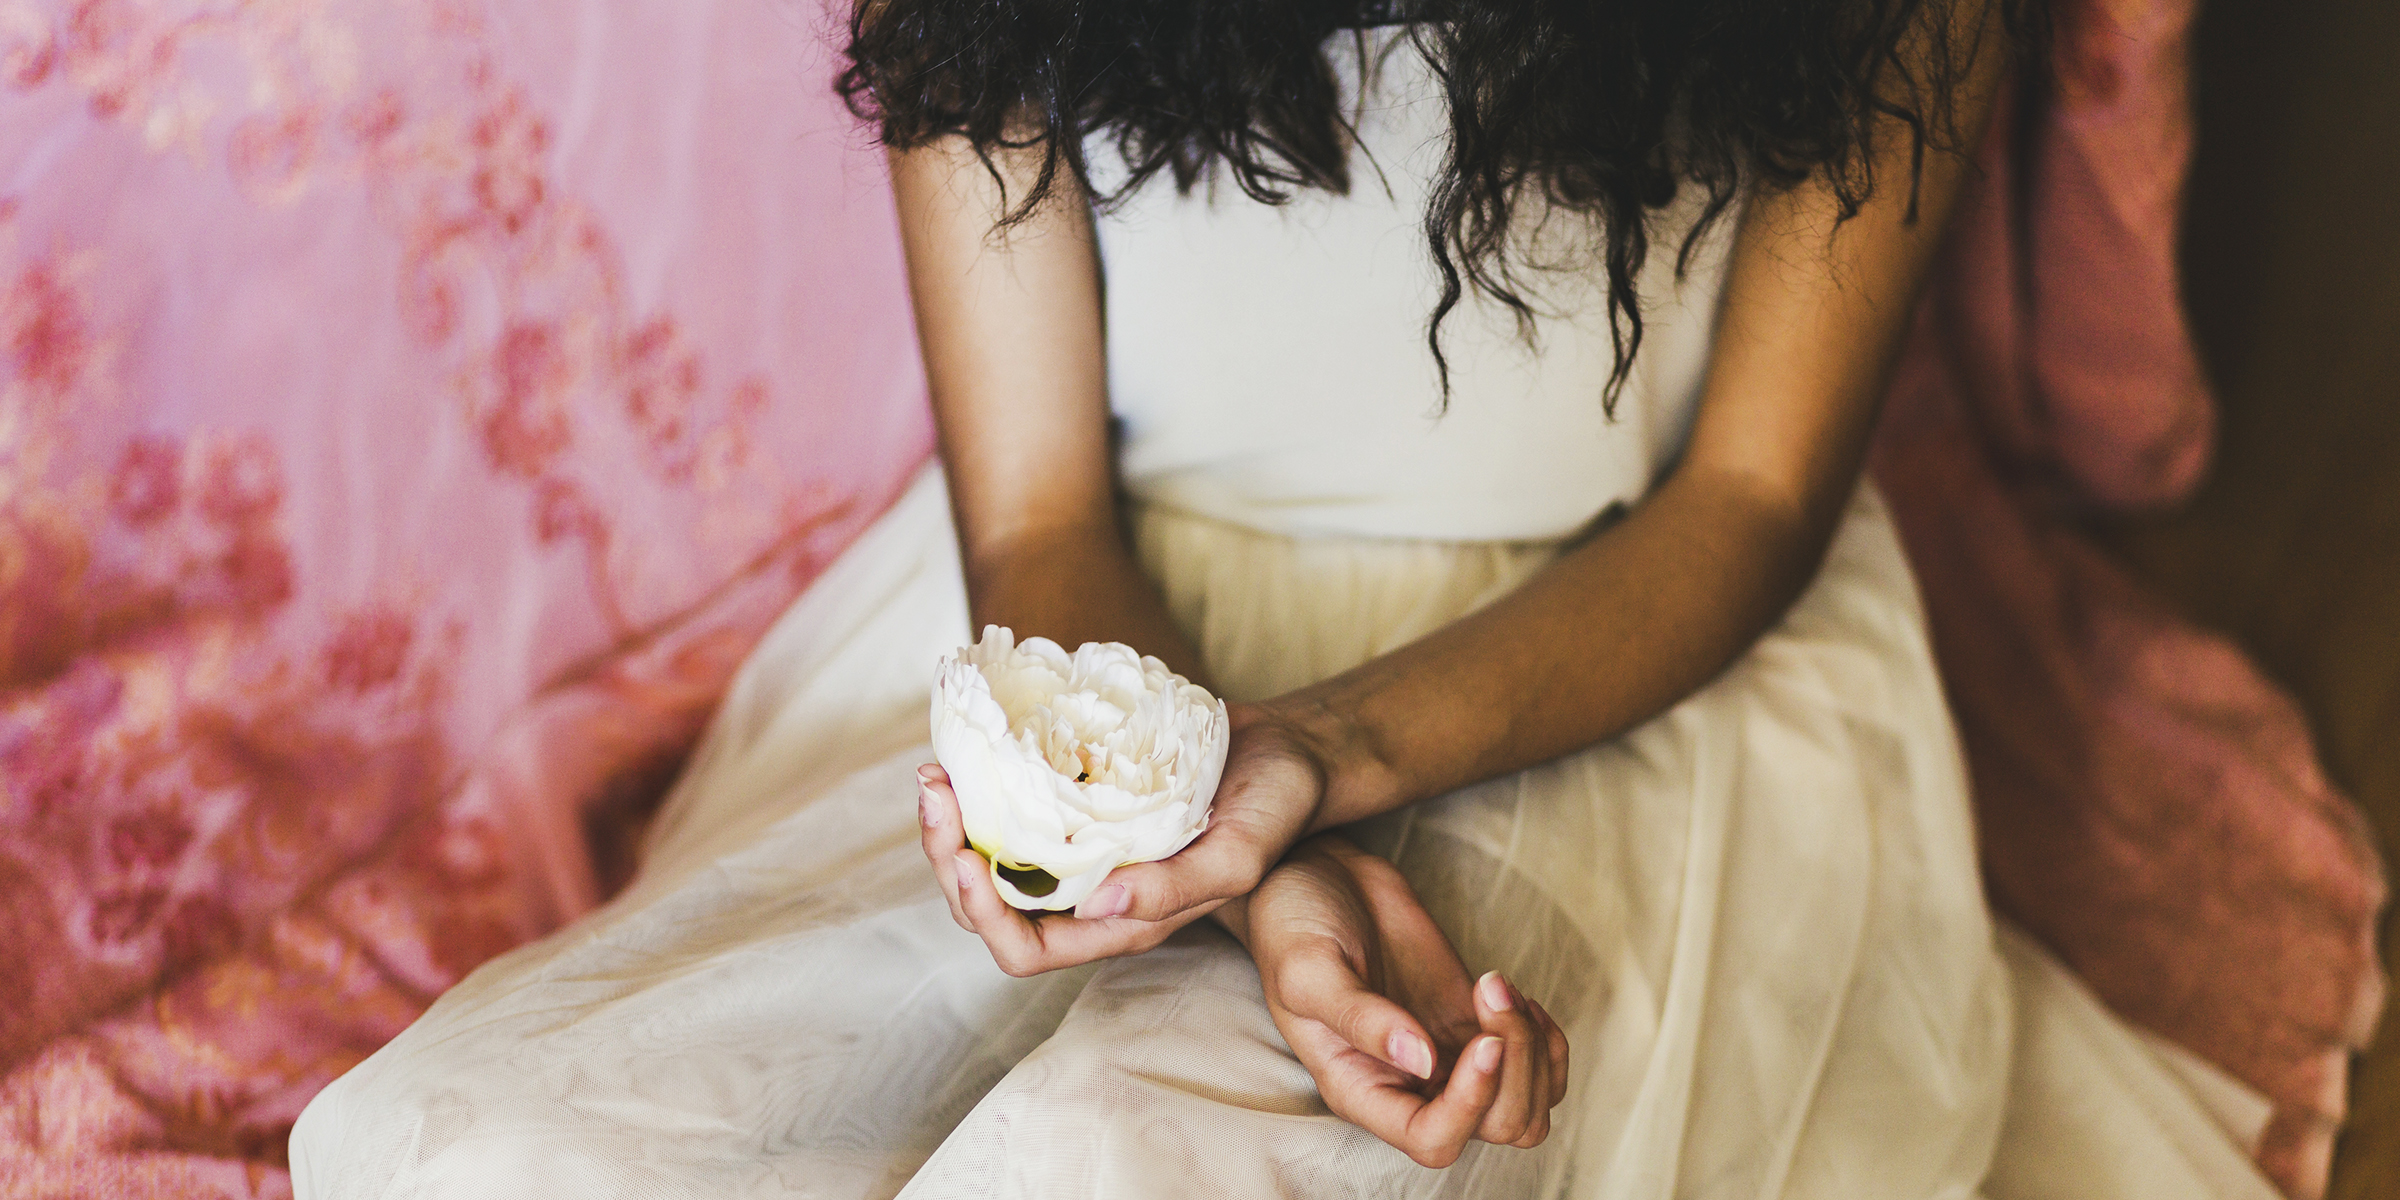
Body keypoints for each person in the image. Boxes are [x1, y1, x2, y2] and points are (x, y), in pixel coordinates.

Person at [290, 1, 2281, 1196]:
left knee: (1139, 1170)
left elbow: (1750, 501)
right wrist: (1250, 849)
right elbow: (1047, 506)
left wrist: (1316, 763)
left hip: (1606, 652)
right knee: (494, 1155)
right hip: (1110, 654)